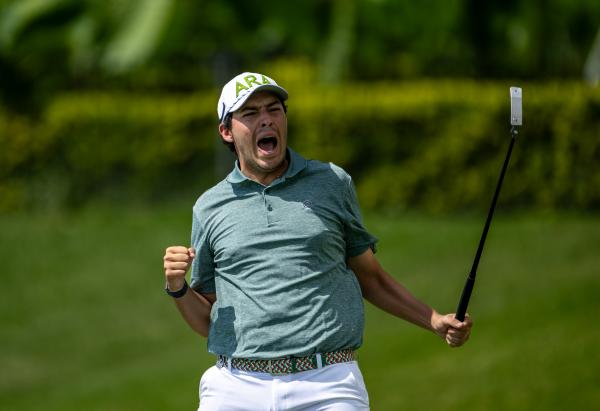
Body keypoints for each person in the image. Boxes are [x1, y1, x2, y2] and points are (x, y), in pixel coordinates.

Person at [162, 72, 473, 410]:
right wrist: (178, 286)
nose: (265, 119)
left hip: (328, 383)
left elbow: (372, 279)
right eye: (250, 113)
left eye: (274, 109)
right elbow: (208, 319)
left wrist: (434, 320)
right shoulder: (209, 207)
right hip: (236, 386)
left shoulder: (331, 183)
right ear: (226, 131)